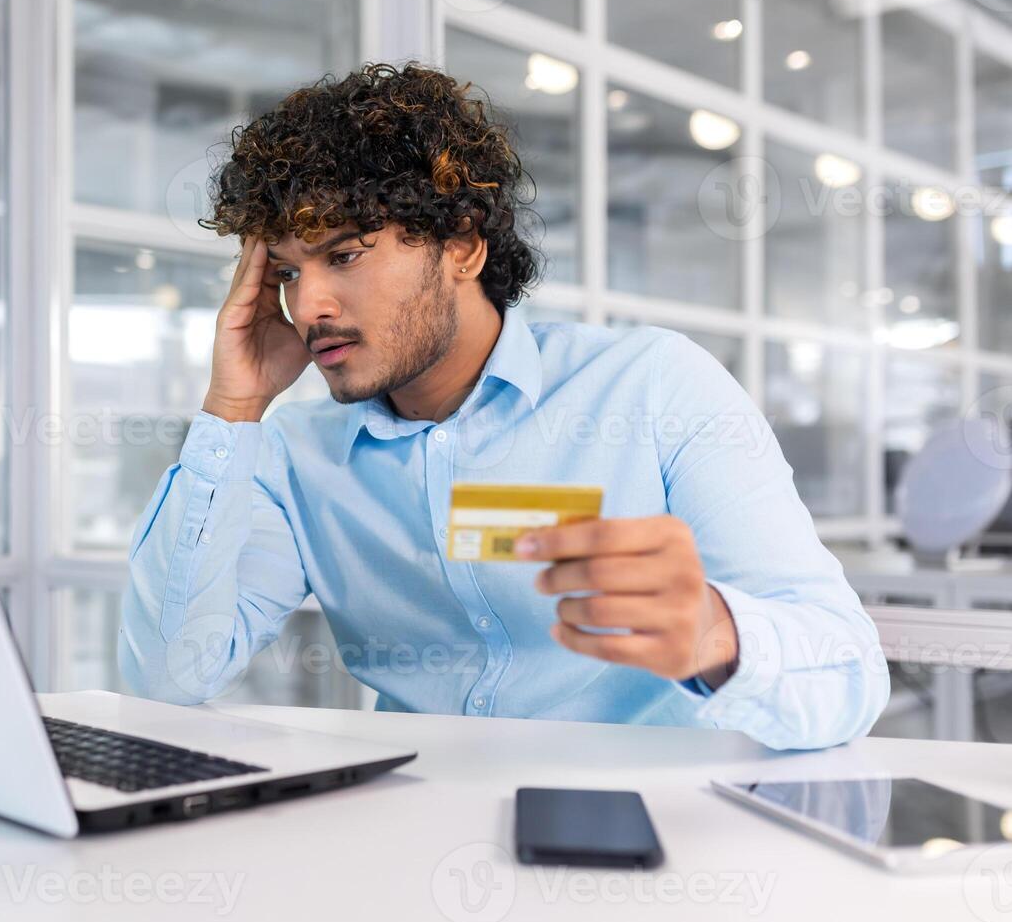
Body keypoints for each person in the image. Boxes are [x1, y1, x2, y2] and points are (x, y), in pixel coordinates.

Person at [118, 62, 888, 750]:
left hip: (657, 847)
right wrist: (232, 408)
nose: (309, 303)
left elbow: (848, 678)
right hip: (406, 851)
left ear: (462, 244)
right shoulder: (296, 451)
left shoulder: (652, 387)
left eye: (344, 255)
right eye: (285, 273)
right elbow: (168, 679)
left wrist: (716, 634)